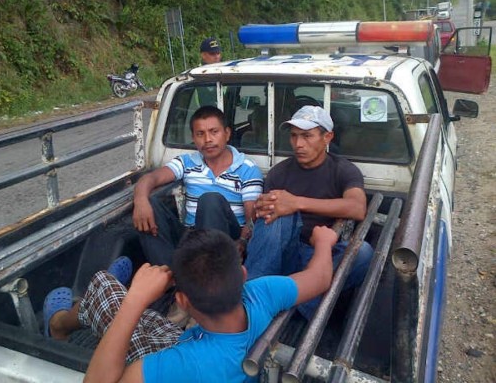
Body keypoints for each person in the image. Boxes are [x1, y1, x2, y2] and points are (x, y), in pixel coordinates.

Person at [45, 227, 337, 382]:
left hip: (183, 350)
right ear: (242, 274)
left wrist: (136, 298)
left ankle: (58, 325)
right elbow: (321, 277)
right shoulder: (262, 293)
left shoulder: (183, 365)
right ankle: (107, 295)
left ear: (182, 300)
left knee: (104, 287)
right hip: (186, 339)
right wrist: (324, 242)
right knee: (118, 301)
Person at [244, 105, 374, 320]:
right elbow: (265, 225)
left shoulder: (343, 170)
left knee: (363, 253)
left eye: (307, 136)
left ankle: (292, 303)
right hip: (282, 254)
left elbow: (357, 207)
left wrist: (297, 203)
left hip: (320, 255)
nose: (298, 144)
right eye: (294, 136)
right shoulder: (279, 173)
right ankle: (253, 300)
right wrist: (265, 207)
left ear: (327, 137)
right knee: (277, 212)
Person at [132, 105, 263, 265]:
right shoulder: (187, 162)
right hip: (192, 239)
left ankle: (209, 273)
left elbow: (252, 220)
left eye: (214, 132)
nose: (208, 140)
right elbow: (151, 178)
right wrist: (140, 200)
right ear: (193, 138)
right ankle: (168, 274)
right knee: (150, 204)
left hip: (226, 242)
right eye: (200, 134)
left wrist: (242, 242)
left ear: (227, 134)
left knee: (210, 200)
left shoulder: (247, 169)